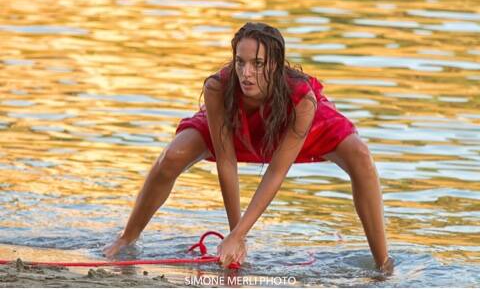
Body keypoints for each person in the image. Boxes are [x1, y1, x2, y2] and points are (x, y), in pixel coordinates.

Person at [103, 22, 394, 274]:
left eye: (258, 64)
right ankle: (127, 237)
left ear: (276, 65)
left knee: (361, 156)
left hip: (288, 119)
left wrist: (239, 235)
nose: (247, 73)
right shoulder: (218, 87)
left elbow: (276, 172)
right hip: (235, 121)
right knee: (172, 156)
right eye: (240, 62)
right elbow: (226, 162)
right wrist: (234, 236)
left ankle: (383, 264)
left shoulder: (303, 101)